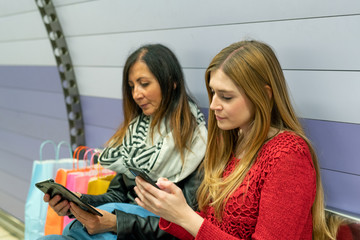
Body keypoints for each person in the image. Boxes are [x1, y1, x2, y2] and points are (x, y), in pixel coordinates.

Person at [134, 40, 342, 239]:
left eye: (226, 97)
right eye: (213, 93)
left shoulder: (288, 155)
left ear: (263, 94)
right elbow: (213, 229)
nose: (214, 105)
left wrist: (185, 216)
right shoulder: (230, 141)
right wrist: (171, 210)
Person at [39, 44, 207, 240]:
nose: (136, 94)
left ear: (171, 83)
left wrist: (116, 223)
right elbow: (117, 196)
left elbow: (186, 225)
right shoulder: (135, 135)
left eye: (144, 83)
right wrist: (77, 203)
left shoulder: (196, 144)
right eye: (131, 86)